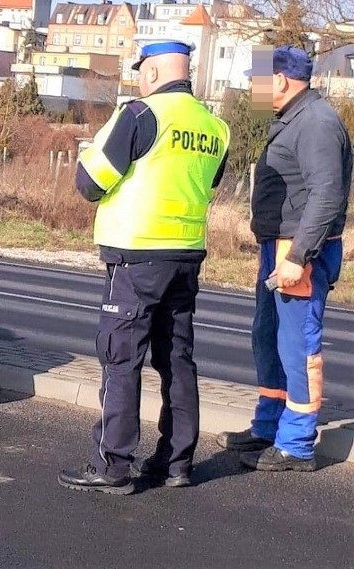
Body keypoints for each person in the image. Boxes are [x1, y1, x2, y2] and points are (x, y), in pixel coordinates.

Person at [58, 39, 231, 495]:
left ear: (152, 72)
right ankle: (176, 463)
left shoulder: (140, 115)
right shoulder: (215, 127)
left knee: (121, 359)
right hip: (187, 255)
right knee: (177, 359)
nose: (139, 79)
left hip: (136, 257)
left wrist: (92, 148)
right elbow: (208, 183)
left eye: (140, 72)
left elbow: (90, 183)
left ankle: (114, 464)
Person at [216, 45, 350, 472]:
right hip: (279, 247)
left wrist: (298, 256)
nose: (252, 88)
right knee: (269, 339)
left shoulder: (315, 123)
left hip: (299, 253)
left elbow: (326, 195)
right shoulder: (293, 119)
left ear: (279, 80)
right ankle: (269, 426)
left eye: (257, 79)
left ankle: (295, 444)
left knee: (297, 345)